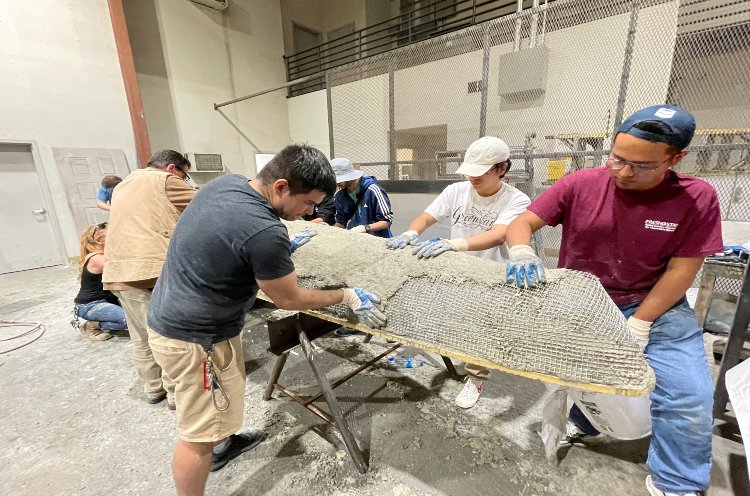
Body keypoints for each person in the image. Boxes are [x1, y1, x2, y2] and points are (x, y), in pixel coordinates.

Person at [145, 144, 386, 496]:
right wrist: (346, 295)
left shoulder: (223, 186)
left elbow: (221, 240)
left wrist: (273, 252)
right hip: (197, 339)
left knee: (213, 416)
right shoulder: (264, 231)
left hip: (168, 313)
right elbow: (288, 298)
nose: (309, 212)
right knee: (197, 438)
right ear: (282, 186)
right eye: (308, 203)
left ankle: (225, 442)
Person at [505, 105, 721, 496]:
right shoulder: (581, 184)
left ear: (675, 159)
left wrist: (639, 324)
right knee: (585, 374)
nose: (622, 171)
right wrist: (522, 251)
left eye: (641, 166)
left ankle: (678, 483)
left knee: (688, 395)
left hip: (653, 302)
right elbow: (522, 223)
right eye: (617, 158)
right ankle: (589, 422)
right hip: (582, 300)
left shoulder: (695, 199)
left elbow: (681, 272)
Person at [386, 136, 530, 409]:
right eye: (470, 172)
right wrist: (410, 232)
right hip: (457, 270)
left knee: (482, 329)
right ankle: (466, 361)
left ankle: (477, 378)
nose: (473, 179)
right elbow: (428, 216)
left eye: (481, 173)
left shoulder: (516, 199)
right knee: (458, 323)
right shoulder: (456, 190)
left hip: (489, 273)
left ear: (502, 168)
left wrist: (452, 244)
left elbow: (499, 235)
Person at [102, 150, 197, 407]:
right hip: (148, 272)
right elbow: (208, 202)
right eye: (184, 175)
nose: (184, 180)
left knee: (142, 335)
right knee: (168, 335)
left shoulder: (124, 184)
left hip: (118, 270)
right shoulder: (163, 181)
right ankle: (176, 395)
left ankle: (153, 387)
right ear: (171, 168)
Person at [73, 222, 127, 341]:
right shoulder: (96, 258)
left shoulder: (101, 255)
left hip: (106, 301)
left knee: (137, 318)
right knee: (132, 321)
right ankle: (92, 326)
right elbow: (125, 267)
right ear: (99, 240)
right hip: (91, 305)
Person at [332, 157, 393, 237]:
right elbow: (341, 222)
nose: (337, 184)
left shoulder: (373, 190)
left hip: (378, 239)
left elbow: (386, 222)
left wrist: (365, 228)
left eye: (338, 180)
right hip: (355, 239)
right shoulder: (339, 196)